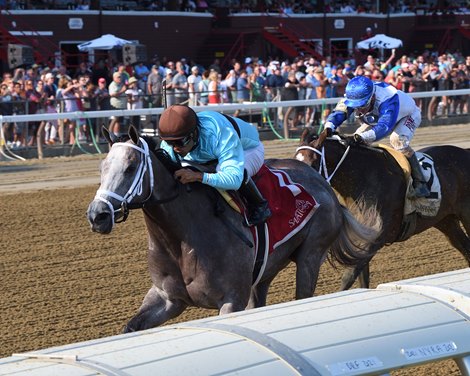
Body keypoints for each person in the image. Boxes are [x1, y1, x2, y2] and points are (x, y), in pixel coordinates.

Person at [158, 104, 271, 226]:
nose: (175, 148)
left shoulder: (221, 134)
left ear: (194, 133)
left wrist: (198, 176)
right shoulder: (173, 142)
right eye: (170, 142)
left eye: (180, 142)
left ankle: (260, 206)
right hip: (212, 153)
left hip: (249, 149)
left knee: (221, 169)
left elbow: (234, 179)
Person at [323, 75, 430, 198]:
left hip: (408, 115)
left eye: (361, 106)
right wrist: (328, 127)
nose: (358, 110)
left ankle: (421, 183)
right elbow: (339, 112)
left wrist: (361, 138)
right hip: (379, 117)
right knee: (356, 140)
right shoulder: (353, 94)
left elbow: (384, 127)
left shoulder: (388, 98)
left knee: (397, 141)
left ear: (372, 96)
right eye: (355, 106)